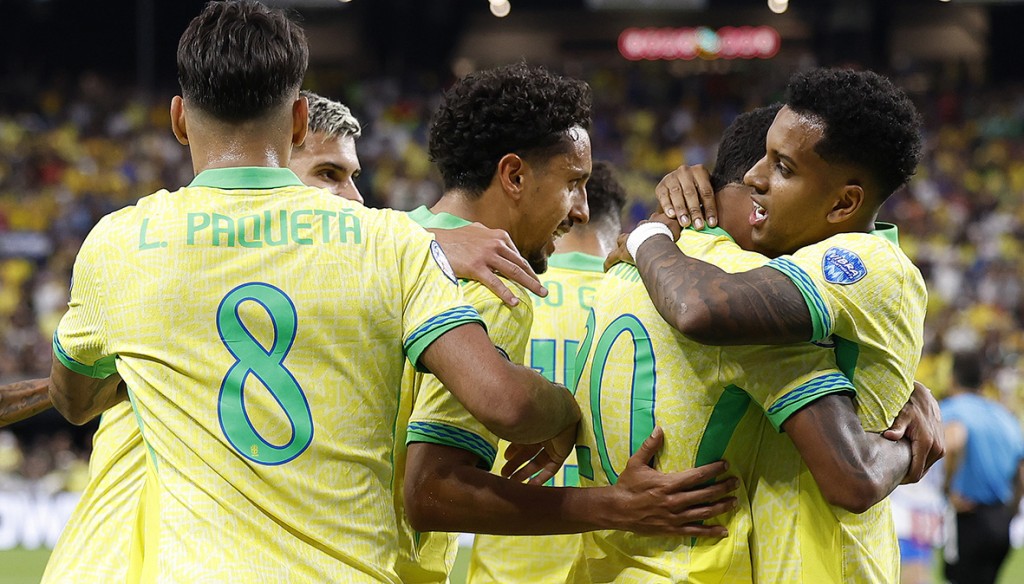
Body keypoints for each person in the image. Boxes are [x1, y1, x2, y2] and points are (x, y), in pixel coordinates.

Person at [45, 3, 580, 582]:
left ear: (178, 119)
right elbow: (505, 403)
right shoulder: (391, 242)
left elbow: (73, 402)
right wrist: (563, 410)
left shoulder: (119, 244)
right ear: (300, 120)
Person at [395, 63, 738, 583]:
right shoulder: (494, 288)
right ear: (514, 176)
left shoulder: (380, 245)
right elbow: (432, 493)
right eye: (574, 183)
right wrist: (613, 503)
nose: (581, 210)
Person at [613, 69, 935, 582]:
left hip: (828, 567)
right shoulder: (812, 268)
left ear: (844, 203)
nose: (754, 177)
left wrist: (649, 235)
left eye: (782, 167)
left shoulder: (866, 261)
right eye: (763, 155)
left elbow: (701, 309)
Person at [465, 160, 627, 584]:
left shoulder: (500, 289)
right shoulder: (640, 302)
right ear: (616, 227)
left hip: (505, 564)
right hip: (610, 561)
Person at [941, 351, 1024, 584]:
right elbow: (1021, 470)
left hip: (970, 515)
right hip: (1001, 519)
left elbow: (954, 440)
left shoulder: (953, 408)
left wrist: (948, 490)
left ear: (953, 378)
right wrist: (1012, 509)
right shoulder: (1004, 416)